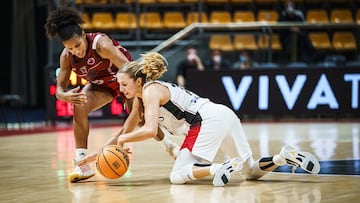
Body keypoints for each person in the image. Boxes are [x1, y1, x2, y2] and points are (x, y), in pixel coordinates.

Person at [112, 52, 320, 187]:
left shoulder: (150, 92)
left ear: (138, 80)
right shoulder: (147, 94)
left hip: (205, 120)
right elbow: (151, 131)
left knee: (177, 176)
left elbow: (149, 130)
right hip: (223, 114)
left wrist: (123, 140)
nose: (121, 89)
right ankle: (282, 157)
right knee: (250, 171)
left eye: (124, 84)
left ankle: (218, 167)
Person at [44, 6, 179, 183]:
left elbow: (130, 71)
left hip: (125, 80)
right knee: (79, 106)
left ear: (84, 36)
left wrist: (138, 97)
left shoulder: (101, 45)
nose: (76, 51)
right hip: (102, 85)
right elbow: (60, 89)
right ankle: (82, 163)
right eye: (70, 48)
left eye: (77, 45)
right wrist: (64, 96)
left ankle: (170, 147)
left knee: (141, 119)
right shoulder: (66, 57)